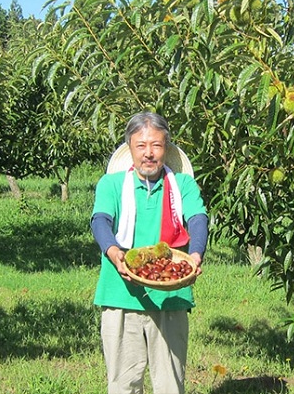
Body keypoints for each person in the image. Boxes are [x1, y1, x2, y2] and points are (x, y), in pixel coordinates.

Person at [90, 111, 209, 394]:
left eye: (156, 145)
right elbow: (101, 220)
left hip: (170, 297)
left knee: (170, 384)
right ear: (129, 148)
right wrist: (114, 251)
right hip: (121, 296)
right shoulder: (112, 185)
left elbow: (198, 219)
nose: (149, 153)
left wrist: (195, 255)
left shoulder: (182, 185)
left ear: (166, 148)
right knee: (123, 385)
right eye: (140, 145)